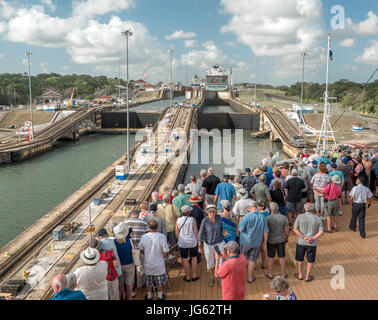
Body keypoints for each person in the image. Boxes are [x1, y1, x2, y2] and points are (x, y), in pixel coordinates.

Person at [238, 201, 269, 283]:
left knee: (243, 259)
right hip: (257, 242)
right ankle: (250, 277)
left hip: (245, 242)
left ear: (250, 207)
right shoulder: (262, 217)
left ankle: (240, 277)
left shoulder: (246, 217)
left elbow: (240, 229)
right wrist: (265, 242)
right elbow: (266, 231)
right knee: (252, 260)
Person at [293, 203, 324, 282]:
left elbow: (295, 229)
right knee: (310, 259)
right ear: (312, 209)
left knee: (300, 258)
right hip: (312, 243)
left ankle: (300, 274)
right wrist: (312, 238)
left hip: (301, 242)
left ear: (304, 209)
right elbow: (321, 231)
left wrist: (303, 237)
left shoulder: (300, 217)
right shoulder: (317, 218)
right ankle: (307, 276)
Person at [139, 220, 170, 300]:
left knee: (148, 282)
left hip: (148, 264)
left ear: (149, 227)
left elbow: (141, 250)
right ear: (157, 227)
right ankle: (160, 296)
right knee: (159, 282)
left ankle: (149, 296)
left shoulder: (144, 237)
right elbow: (166, 251)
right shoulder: (162, 236)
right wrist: (166, 256)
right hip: (159, 265)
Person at [198, 204, 224, 287]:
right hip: (208, 245)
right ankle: (212, 278)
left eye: (213, 212)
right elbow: (200, 235)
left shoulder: (219, 218)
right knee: (210, 263)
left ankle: (219, 278)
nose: (212, 214)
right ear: (207, 212)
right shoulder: (204, 221)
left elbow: (222, 228)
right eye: (210, 212)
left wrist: (225, 231)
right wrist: (200, 246)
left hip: (219, 243)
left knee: (220, 262)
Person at [175, 205, 199, 282]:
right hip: (192, 242)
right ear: (188, 212)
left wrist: (181, 239)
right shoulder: (192, 219)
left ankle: (188, 276)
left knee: (185, 259)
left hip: (182, 243)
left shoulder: (178, 220)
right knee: (194, 258)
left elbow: (176, 233)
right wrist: (199, 241)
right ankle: (194, 275)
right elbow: (196, 232)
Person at [265, 202, 289, 280]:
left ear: (270, 209)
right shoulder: (283, 217)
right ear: (277, 209)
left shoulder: (267, 219)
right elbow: (287, 230)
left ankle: (270, 273)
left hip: (271, 240)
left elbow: (266, 231)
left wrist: (264, 241)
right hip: (281, 240)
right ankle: (283, 274)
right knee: (282, 257)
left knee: (270, 257)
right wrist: (287, 237)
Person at [113, 224, 135, 300]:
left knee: (120, 284)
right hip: (129, 264)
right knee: (129, 283)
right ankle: (129, 298)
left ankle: (122, 296)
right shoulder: (129, 241)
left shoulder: (114, 242)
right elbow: (133, 251)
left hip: (119, 266)